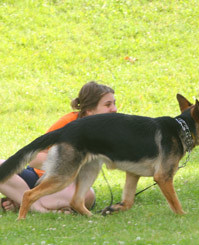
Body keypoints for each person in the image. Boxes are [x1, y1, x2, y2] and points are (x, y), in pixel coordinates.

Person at [0, 81, 117, 213]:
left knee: (88, 197)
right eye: (108, 104)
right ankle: (38, 208)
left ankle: (19, 200)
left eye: (114, 103)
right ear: (89, 110)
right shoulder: (68, 124)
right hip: (38, 178)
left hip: (65, 187)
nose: (114, 109)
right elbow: (34, 158)